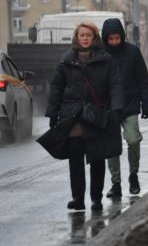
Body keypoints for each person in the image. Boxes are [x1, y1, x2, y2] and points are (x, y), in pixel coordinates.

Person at [45, 22, 123, 211]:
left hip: (96, 116)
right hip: (73, 118)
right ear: (76, 37)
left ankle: (96, 198)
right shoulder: (66, 60)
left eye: (88, 35)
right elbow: (56, 88)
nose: (85, 38)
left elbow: (115, 85)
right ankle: (78, 199)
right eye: (82, 35)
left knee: (97, 159)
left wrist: (116, 110)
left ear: (94, 37)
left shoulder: (106, 60)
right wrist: (53, 113)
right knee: (75, 160)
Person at [101, 18, 148, 198]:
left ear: (122, 36)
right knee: (112, 147)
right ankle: (116, 183)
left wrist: (146, 102)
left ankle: (133, 176)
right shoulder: (100, 55)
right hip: (108, 108)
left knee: (133, 141)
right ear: (105, 38)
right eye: (111, 39)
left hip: (130, 104)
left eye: (117, 38)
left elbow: (142, 79)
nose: (114, 42)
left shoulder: (133, 52)